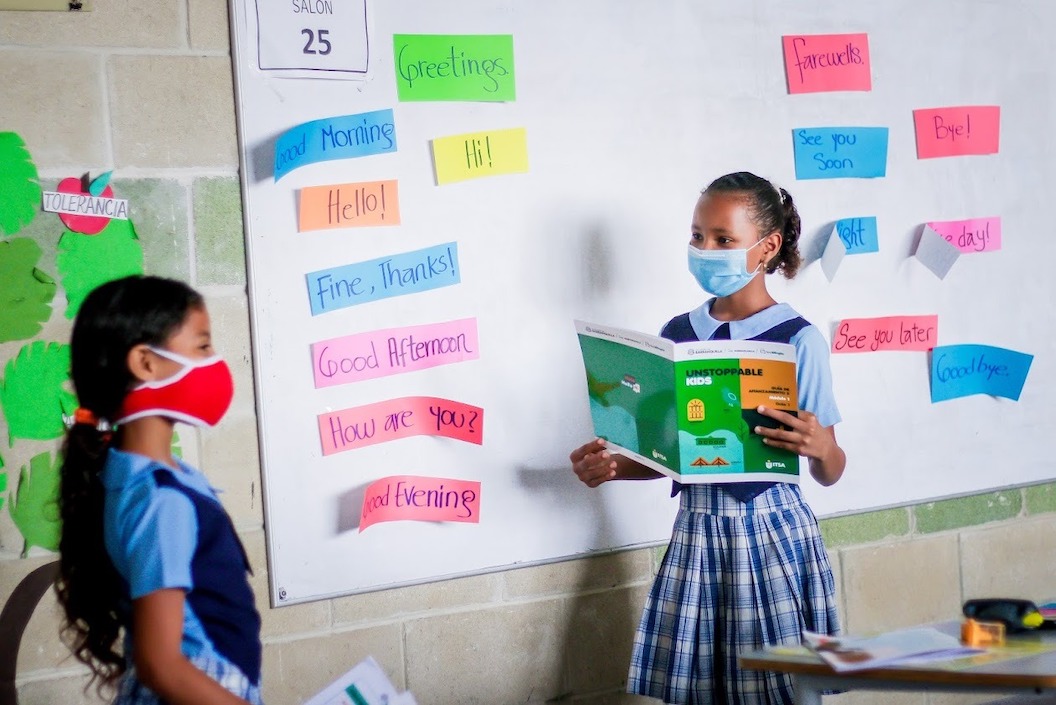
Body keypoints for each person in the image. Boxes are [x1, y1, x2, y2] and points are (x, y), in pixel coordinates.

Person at [569, 171, 846, 704]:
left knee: (780, 688)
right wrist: (613, 465)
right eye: (698, 236)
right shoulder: (678, 335)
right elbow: (669, 454)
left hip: (771, 536)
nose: (706, 249)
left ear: (767, 247)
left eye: (724, 239)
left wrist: (823, 448)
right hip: (698, 533)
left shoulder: (799, 340)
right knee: (704, 689)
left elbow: (830, 470)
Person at [55, 275, 263, 705]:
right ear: (146, 363)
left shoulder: (134, 476)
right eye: (202, 346)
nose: (215, 361)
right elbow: (160, 664)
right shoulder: (160, 500)